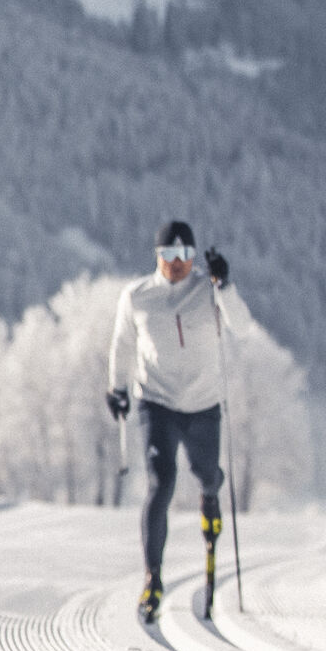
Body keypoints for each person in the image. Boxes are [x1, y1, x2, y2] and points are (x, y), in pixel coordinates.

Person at [105, 221, 251, 623]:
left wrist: (226, 285)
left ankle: (210, 496)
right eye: (169, 256)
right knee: (161, 481)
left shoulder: (209, 289)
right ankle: (153, 578)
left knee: (207, 475)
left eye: (185, 256)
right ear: (157, 256)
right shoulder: (137, 296)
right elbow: (121, 344)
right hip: (157, 402)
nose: (177, 265)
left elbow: (243, 325)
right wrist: (116, 388)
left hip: (203, 405)